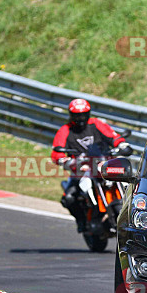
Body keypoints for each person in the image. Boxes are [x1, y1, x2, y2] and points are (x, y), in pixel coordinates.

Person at [51, 98, 131, 232]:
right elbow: (56, 152)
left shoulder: (96, 124)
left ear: (88, 113)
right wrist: (65, 161)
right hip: (81, 169)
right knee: (69, 197)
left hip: (103, 163)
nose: (80, 118)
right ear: (71, 115)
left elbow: (112, 136)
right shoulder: (66, 130)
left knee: (130, 181)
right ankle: (82, 221)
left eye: (83, 114)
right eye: (77, 115)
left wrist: (122, 144)